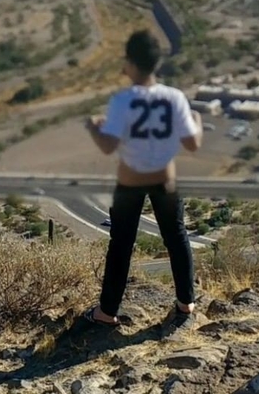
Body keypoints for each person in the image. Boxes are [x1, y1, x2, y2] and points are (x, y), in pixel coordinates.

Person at [83, 28, 203, 335]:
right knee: (176, 237)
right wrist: (198, 122)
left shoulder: (123, 100)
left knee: (122, 243)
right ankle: (186, 302)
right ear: (157, 63)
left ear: (131, 63)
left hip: (130, 180)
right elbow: (192, 144)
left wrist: (94, 127)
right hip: (164, 178)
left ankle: (107, 311)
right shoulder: (174, 97)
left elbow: (108, 146)